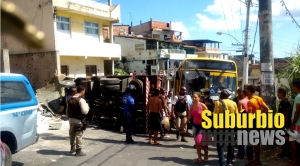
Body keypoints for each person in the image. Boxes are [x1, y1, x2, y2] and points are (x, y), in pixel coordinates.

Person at [246, 85, 270, 166]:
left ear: (249, 91)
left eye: (246, 90)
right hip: (259, 121)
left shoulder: (250, 102)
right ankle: (256, 160)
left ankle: (256, 162)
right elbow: (267, 109)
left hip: (253, 123)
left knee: (255, 143)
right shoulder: (258, 98)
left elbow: (249, 115)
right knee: (257, 142)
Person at [213, 89, 238, 166]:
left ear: (223, 95)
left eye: (220, 94)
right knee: (231, 144)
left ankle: (222, 162)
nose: (219, 95)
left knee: (220, 144)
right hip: (231, 126)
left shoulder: (217, 103)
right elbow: (236, 115)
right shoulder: (234, 103)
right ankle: (229, 161)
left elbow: (215, 115)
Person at [184, 93, 209, 162]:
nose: (194, 98)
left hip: (202, 126)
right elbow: (189, 116)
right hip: (195, 125)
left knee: (199, 141)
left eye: (195, 97)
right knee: (197, 143)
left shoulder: (202, 105)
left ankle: (206, 152)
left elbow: (208, 115)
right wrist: (185, 124)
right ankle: (199, 157)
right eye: (193, 97)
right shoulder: (191, 106)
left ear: (199, 98)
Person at [68, 85, 89, 156]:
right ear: (82, 91)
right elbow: (85, 112)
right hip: (78, 120)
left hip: (71, 119)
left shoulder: (70, 99)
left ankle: (72, 148)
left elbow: (67, 110)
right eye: (84, 91)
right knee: (78, 135)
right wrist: (87, 106)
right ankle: (78, 151)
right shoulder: (81, 100)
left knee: (72, 134)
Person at [276, 87, 292, 159]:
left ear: (281, 93)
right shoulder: (282, 102)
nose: (277, 94)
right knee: (282, 138)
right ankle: (284, 152)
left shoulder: (286, 102)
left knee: (285, 138)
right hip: (281, 124)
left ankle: (286, 153)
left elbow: (286, 114)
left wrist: (284, 124)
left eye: (278, 93)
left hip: (285, 124)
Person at [288, 79, 300, 166]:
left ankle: (294, 161)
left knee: (292, 141)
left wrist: (293, 124)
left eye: (292, 87)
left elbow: (297, 111)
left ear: (296, 87)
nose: (292, 88)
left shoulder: (298, 97)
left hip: (297, 125)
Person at [235, 89, 249, 159]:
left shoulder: (240, 102)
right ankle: (249, 154)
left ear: (243, 94)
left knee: (241, 138)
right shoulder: (250, 101)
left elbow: (239, 113)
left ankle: (240, 154)